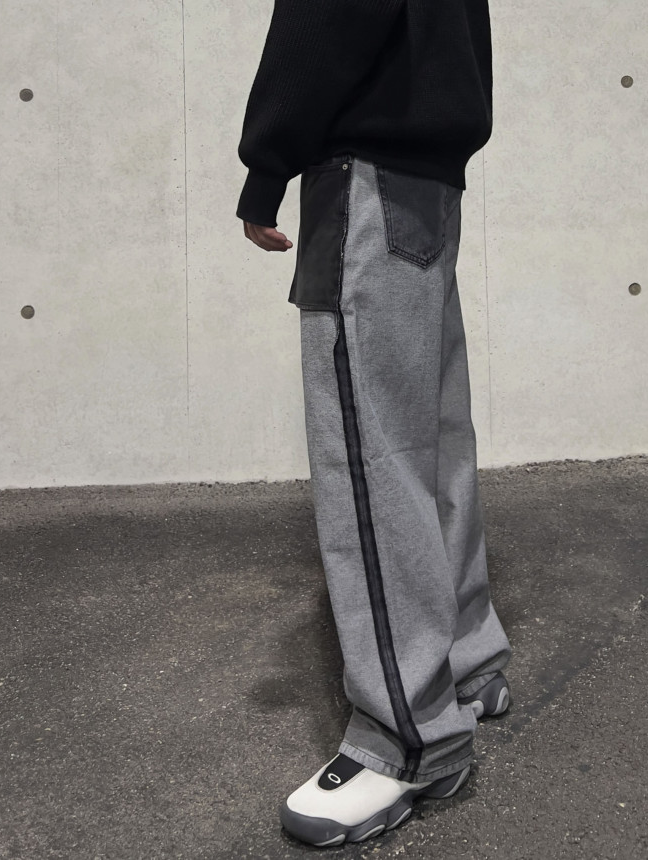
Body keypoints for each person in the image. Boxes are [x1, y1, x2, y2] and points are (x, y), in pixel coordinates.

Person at [237, 0, 512, 847]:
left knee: (368, 457)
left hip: (361, 181)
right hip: (429, 186)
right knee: (433, 443)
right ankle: (469, 664)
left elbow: (322, 19)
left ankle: (407, 740)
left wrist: (266, 163)